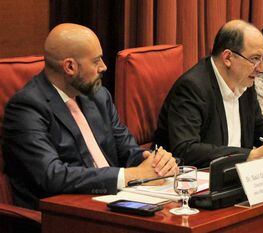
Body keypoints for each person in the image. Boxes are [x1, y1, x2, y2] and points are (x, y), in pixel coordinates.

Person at [2, 23, 177, 210]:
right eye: (96, 61)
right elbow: (52, 175)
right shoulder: (27, 107)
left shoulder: (98, 96)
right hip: (67, 214)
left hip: (119, 201)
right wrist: (129, 176)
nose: (104, 67)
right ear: (70, 67)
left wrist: (155, 162)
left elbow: (128, 150)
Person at [153, 20, 263, 168]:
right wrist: (248, 156)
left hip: (237, 176)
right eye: (255, 59)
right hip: (193, 183)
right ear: (227, 58)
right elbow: (186, 149)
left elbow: (260, 128)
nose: (261, 68)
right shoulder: (193, 87)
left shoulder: (245, 82)